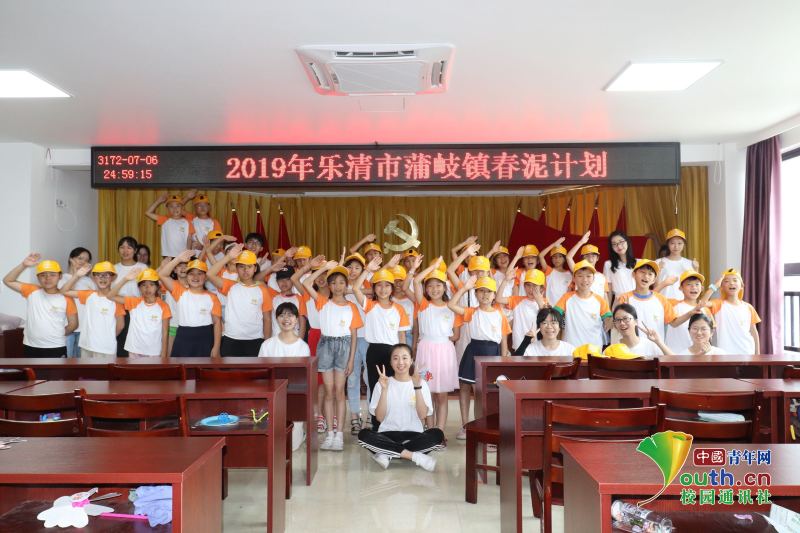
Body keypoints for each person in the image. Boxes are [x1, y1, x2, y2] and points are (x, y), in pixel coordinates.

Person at [302, 260, 363, 451]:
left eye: (342, 282)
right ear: (329, 285)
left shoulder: (351, 307)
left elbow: (354, 336)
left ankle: (339, 435)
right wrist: (324, 268)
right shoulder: (322, 302)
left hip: (344, 347)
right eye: (334, 282)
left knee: (339, 392)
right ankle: (330, 433)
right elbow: (306, 283)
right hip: (326, 346)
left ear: (347, 285)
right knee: (328, 392)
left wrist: (351, 360)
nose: (338, 286)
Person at [357, 343, 445, 471]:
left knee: (437, 434)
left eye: (404, 358)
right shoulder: (382, 384)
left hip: (414, 436)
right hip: (387, 434)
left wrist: (417, 387)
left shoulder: (421, 383)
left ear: (411, 361)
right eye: (395, 358)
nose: (400, 362)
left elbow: (422, 415)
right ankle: (414, 456)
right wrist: (384, 390)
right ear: (390, 362)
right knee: (363, 435)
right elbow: (380, 418)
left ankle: (386, 452)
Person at [448, 275, 510, 440]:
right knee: (465, 387)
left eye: (489, 291)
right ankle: (465, 426)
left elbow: (504, 341)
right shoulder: (471, 312)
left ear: (494, 294)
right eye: (481, 291)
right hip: (473, 350)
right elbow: (451, 304)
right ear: (475, 293)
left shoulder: (500, 314)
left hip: (492, 354)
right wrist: (464, 288)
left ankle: (482, 426)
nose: (485, 294)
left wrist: (503, 360)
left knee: (482, 392)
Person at [352, 259, 411, 432]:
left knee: (395, 387)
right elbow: (355, 288)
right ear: (374, 288)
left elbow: (402, 336)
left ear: (392, 288)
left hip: (394, 353)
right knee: (376, 387)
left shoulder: (399, 309)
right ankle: (377, 425)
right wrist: (367, 269)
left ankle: (394, 424)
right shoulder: (370, 306)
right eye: (379, 285)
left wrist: (404, 359)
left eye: (387, 285)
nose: (383, 289)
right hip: (375, 351)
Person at [405, 256, 461, 432]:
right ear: (425, 289)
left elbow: (456, 335)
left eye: (438, 285)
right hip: (426, 353)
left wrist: (441, 340)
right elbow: (416, 281)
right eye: (430, 286)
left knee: (442, 395)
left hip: (444, 354)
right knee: (426, 391)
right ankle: (430, 430)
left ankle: (439, 432)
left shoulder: (452, 307)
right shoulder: (423, 304)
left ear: (445, 287)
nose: (434, 289)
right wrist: (433, 267)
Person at [3, 254, 77, 357]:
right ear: (38, 277)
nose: (47, 278)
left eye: (52, 275)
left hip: (56, 347)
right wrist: (24, 265)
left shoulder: (67, 297)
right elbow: (8, 280)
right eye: (43, 275)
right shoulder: (32, 290)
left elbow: (73, 324)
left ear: (60, 276)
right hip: (30, 346)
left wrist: (56, 334)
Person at [207, 245, 273, 357]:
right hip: (231, 339)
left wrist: (267, 344)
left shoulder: (263, 290)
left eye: (249, 266)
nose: (245, 270)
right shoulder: (230, 286)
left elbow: (267, 319)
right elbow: (210, 274)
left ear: (255, 268)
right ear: (237, 268)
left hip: (255, 340)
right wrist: (228, 257)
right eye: (241, 266)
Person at [613, 259, 703, 341]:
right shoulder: (624, 298)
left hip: (656, 350)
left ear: (654, 280)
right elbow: (614, 325)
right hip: (630, 350)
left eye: (650, 274)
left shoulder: (661, 299)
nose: (646, 276)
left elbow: (674, 322)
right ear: (634, 274)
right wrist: (615, 308)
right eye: (642, 272)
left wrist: (691, 313)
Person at [292, 255, 330, 434]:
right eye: (317, 274)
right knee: (316, 379)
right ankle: (318, 415)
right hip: (315, 336)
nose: (321, 278)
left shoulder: (337, 295)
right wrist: (309, 266)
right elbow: (294, 278)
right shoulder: (307, 293)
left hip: (333, 337)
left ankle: (328, 414)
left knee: (330, 380)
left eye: (324, 274)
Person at [158, 251, 221, 357]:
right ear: (187, 276)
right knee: (181, 366)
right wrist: (178, 259)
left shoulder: (212, 297)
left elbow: (217, 323)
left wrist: (216, 347)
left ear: (205, 277)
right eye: (191, 273)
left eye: (200, 273)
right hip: (183, 336)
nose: (195, 277)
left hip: (205, 337)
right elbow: (162, 275)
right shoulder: (180, 292)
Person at [59, 261, 125, 358]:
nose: (102, 278)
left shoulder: (116, 299)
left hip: (105, 348)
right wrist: (77, 275)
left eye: (106, 275)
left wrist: (107, 338)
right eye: (98, 275)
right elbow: (63, 291)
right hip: (86, 346)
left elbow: (120, 325)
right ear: (93, 278)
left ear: (113, 278)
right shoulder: (89, 295)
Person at [107, 268, 171, 358]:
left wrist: (163, 355)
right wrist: (125, 279)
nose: (147, 288)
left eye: (151, 284)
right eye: (143, 285)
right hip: (134, 351)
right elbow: (110, 296)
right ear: (139, 288)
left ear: (157, 287)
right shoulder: (134, 302)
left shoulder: (164, 306)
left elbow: (165, 332)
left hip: (154, 352)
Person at [496, 247, 548, 352]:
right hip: (519, 346)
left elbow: (548, 321)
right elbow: (498, 299)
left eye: (535, 286)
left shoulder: (545, 303)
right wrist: (505, 280)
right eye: (528, 285)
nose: (531, 289)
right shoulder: (517, 300)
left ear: (542, 288)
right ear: (524, 286)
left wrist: (540, 303)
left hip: (538, 348)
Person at [554, 260, 612, 348]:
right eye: (580, 276)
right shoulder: (566, 298)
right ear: (574, 278)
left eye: (588, 276)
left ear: (593, 279)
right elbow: (554, 315)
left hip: (593, 349)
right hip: (571, 348)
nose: (585, 280)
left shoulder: (600, 300)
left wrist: (614, 319)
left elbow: (608, 322)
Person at [707, 268, 761, 355]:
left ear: (741, 286)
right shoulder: (718, 304)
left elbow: (754, 332)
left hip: (748, 353)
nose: (731, 283)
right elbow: (702, 303)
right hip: (726, 355)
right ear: (722, 286)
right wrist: (715, 286)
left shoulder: (748, 307)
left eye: (735, 280)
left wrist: (757, 353)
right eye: (726, 281)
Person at [114, 236, 147, 356]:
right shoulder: (114, 268)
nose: (125, 251)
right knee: (120, 343)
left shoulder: (142, 268)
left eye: (129, 247)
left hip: (136, 309)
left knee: (135, 344)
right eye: (122, 247)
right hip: (117, 309)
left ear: (135, 250)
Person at [665, 270, 712, 354]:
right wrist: (664, 283)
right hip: (675, 354)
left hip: (698, 356)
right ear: (681, 288)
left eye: (697, 284)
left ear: (701, 288)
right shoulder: (672, 304)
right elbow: (653, 296)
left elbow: (710, 335)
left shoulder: (706, 310)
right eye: (689, 284)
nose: (693, 287)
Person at [60, 247, 94, 358]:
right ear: (71, 259)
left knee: (82, 363)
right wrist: (76, 275)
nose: (83, 262)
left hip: (84, 329)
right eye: (80, 258)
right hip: (67, 327)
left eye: (86, 260)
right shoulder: (61, 278)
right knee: (67, 362)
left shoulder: (89, 281)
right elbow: (63, 293)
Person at [145, 193, 195, 258]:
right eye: (171, 206)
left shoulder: (188, 222)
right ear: (167, 209)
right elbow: (148, 213)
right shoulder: (165, 220)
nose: (175, 209)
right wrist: (158, 201)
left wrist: (188, 254)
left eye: (178, 206)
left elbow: (189, 239)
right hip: (168, 256)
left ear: (182, 208)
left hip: (183, 256)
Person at [656, 228, 700, 300]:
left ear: (684, 245)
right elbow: (654, 287)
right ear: (668, 244)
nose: (676, 246)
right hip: (664, 301)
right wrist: (659, 270)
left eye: (679, 243)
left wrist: (696, 269)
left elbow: (696, 286)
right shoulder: (658, 262)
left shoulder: (689, 263)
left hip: (683, 302)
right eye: (672, 243)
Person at [566, 232, 610, 302]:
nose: (590, 259)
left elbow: (605, 296)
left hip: (597, 308)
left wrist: (608, 309)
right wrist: (581, 242)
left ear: (597, 258)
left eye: (593, 256)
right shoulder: (578, 271)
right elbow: (568, 257)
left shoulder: (602, 277)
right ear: (582, 258)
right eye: (587, 256)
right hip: (579, 306)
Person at [266, 266, 307, 339]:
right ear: (276, 281)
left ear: (293, 281)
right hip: (275, 340)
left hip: (293, 340)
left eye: (288, 279)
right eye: (280, 279)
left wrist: (299, 342)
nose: (284, 282)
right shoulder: (272, 296)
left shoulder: (300, 299)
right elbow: (257, 280)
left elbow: (302, 324)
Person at [603, 230, 638, 302]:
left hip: (636, 300)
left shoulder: (639, 262)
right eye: (614, 244)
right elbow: (608, 289)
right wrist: (608, 308)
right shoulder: (608, 264)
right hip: (619, 301)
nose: (619, 246)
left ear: (627, 242)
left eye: (621, 242)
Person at [538, 237, 571, 307]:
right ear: (552, 259)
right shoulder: (549, 270)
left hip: (562, 308)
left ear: (564, 259)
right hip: (548, 307)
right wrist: (554, 244)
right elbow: (541, 256)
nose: (557, 259)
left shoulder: (570, 274)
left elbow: (569, 293)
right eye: (554, 257)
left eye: (560, 256)